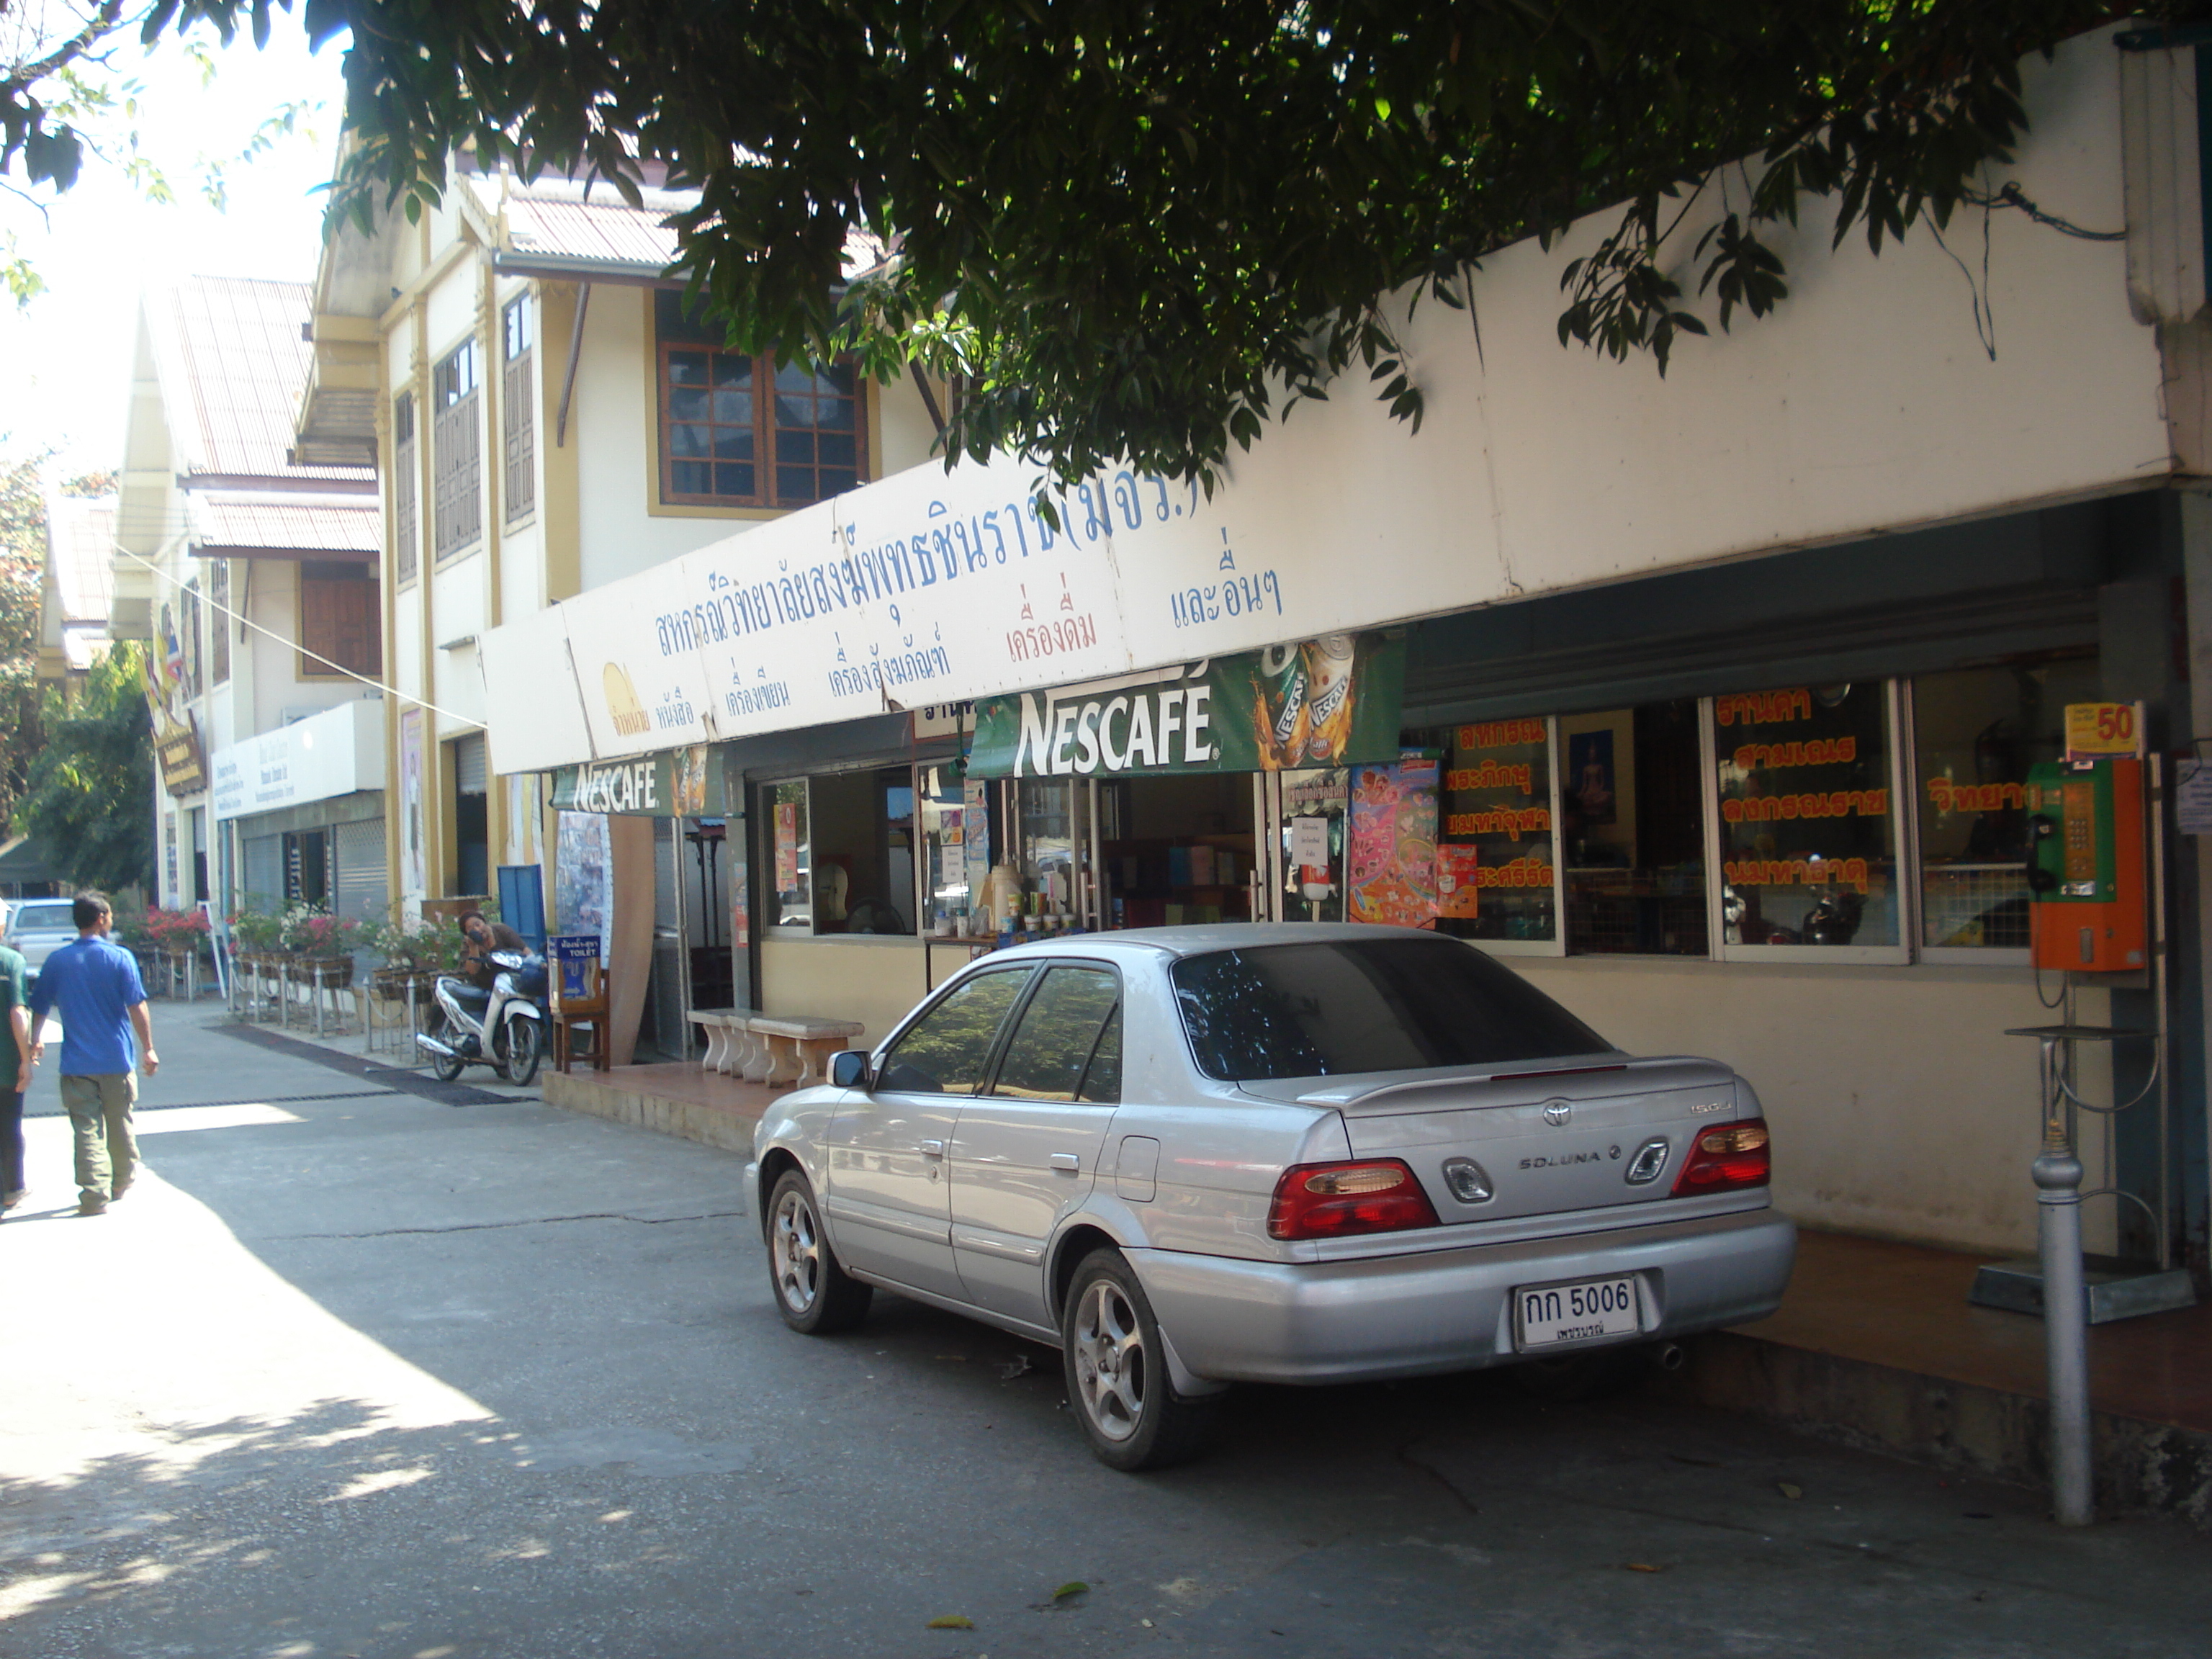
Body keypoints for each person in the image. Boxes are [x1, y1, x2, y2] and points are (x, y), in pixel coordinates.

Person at [28, 891, 158, 1217]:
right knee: (119, 1121)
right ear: (101, 918)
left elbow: (39, 1005)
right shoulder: (119, 958)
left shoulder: (58, 960)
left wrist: (35, 1040)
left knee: (86, 1128)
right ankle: (121, 1180)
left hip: (76, 1064)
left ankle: (93, 1192)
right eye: (110, 914)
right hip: (116, 1060)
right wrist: (149, 1048)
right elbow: (136, 1006)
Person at [1, 926, 29, 1216]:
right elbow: (17, 1012)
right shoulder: (10, 961)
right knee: (9, 1126)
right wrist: (25, 1058)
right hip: (6, 1063)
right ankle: (12, 1189)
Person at [457, 909, 528, 991]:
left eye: (478, 925)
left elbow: (524, 950)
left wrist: (492, 940)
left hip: (512, 981)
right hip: (485, 986)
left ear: (484, 923)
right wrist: (473, 948)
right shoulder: (468, 944)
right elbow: (472, 971)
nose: (477, 930)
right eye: (471, 929)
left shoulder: (501, 930)